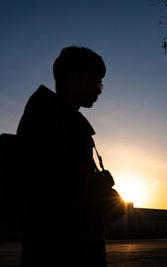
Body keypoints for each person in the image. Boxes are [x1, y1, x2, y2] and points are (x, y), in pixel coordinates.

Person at [17, 46, 125, 266]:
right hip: (61, 252)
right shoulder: (48, 117)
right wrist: (106, 199)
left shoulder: (63, 117)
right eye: (95, 79)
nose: (100, 89)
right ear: (73, 76)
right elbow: (55, 190)